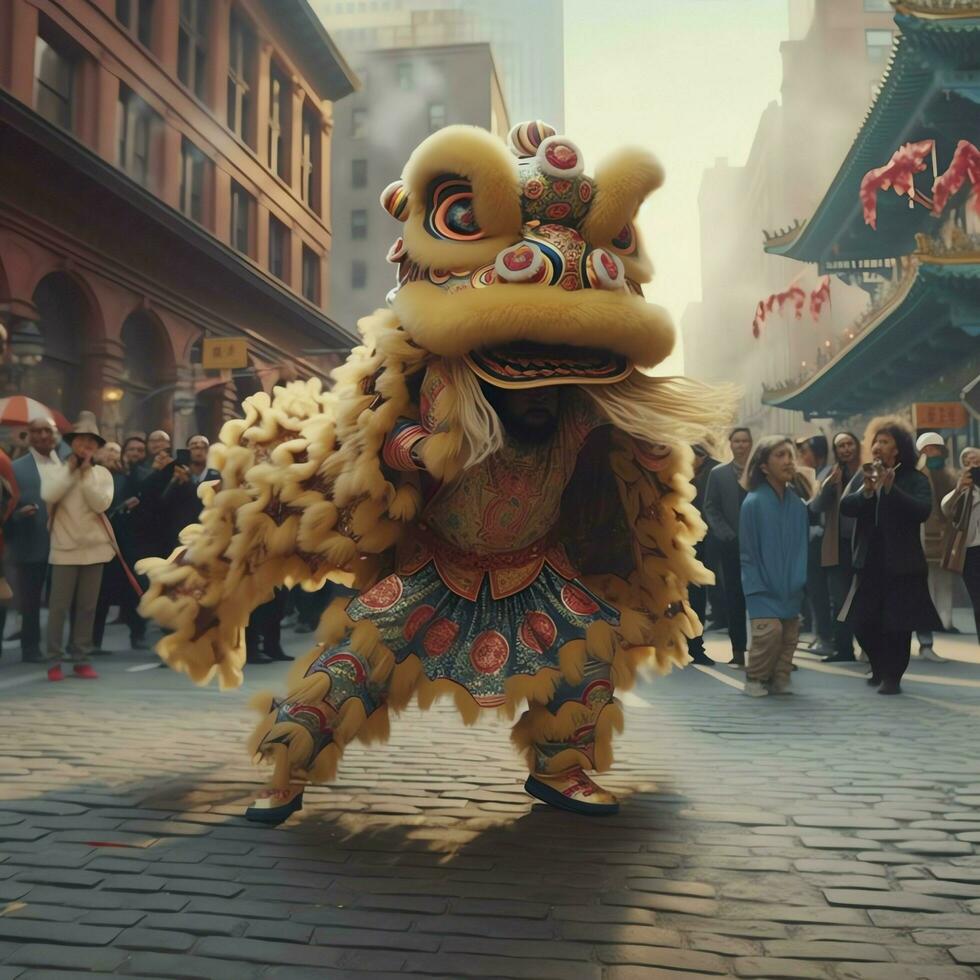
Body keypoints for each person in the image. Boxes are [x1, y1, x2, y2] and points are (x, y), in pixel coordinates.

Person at [138, 119, 734, 825]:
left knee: (585, 656)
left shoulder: (581, 409)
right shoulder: (446, 385)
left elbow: (623, 442)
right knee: (352, 662)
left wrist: (652, 447)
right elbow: (378, 443)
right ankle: (289, 768)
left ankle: (561, 768)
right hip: (437, 566)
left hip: (536, 568)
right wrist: (417, 449)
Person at [841, 417, 941, 695]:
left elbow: (922, 510)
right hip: (869, 562)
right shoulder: (865, 477)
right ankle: (878, 666)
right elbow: (845, 506)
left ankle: (892, 678)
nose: (877, 447)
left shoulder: (914, 478)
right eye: (875, 441)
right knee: (862, 622)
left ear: (897, 449)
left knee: (898, 626)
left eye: (885, 442)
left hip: (903, 564)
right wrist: (868, 491)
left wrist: (890, 488)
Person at [42, 412, 115, 681]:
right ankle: (53, 660)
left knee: (87, 608)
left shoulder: (103, 474)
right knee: (58, 608)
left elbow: (100, 503)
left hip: (95, 549)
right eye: (81, 441)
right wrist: (71, 471)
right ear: (72, 443)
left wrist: (85, 476)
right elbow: (49, 495)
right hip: (63, 548)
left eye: (91, 442)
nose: (86, 447)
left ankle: (81, 657)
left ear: (97, 447)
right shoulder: (55, 469)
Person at [739, 437, 809, 697]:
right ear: (764, 466)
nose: (788, 461)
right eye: (780, 455)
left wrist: (799, 580)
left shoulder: (797, 505)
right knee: (769, 633)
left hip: (792, 584)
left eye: (790, 455)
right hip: (761, 585)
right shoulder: (753, 502)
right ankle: (755, 679)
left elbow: (802, 546)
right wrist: (755, 584)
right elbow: (747, 551)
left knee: (789, 636)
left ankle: (780, 679)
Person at [5, 417, 60, 662]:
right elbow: (4, 507)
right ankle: (30, 647)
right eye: (36, 431)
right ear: (29, 436)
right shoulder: (16, 468)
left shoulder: (67, 465)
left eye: (47, 431)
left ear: (55, 434)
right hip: (29, 542)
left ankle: (60, 646)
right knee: (30, 600)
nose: (42, 436)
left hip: (64, 543)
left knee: (61, 600)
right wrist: (18, 515)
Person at [809, 431, 864, 662]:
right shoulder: (832, 474)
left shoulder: (867, 471)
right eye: (841, 446)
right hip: (837, 545)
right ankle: (843, 649)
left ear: (857, 446)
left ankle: (869, 648)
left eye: (849, 444)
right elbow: (816, 507)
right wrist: (827, 488)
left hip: (862, 544)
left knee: (864, 598)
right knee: (839, 599)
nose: (846, 449)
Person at [704, 427, 753, 666]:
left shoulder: (761, 472)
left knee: (761, 598)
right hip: (731, 545)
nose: (741, 445)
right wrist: (725, 534)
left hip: (759, 545)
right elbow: (710, 507)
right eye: (737, 441)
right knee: (735, 597)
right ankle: (738, 651)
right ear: (730, 445)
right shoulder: (719, 473)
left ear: (751, 444)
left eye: (745, 441)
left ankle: (767, 649)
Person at [92, 441, 146, 652]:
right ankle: (94, 640)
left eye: (116, 452)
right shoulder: (94, 478)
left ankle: (138, 634)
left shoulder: (129, 477)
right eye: (109, 452)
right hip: (101, 542)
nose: (112, 457)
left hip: (126, 544)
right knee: (100, 595)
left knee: (132, 591)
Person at [914, 431, 958, 661]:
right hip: (923, 537)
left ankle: (946, 621)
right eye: (928, 449)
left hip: (945, 536)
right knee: (926, 585)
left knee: (945, 582)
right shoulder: (919, 476)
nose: (933, 454)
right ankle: (928, 632)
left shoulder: (950, 475)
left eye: (936, 449)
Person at [796, 435, 833, 654]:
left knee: (820, 590)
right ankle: (820, 633)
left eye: (805, 452)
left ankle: (825, 637)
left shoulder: (828, 474)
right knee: (813, 590)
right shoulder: (810, 475)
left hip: (823, 538)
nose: (802, 457)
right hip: (812, 537)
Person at [941, 447, 980, 641]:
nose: (973, 464)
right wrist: (959, 489)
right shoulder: (963, 490)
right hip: (971, 551)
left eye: (977, 461)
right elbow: (946, 509)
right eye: (967, 462)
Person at [159, 435, 221, 553]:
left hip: (208, 531)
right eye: (194, 446)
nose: (199, 449)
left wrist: (189, 483)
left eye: (203, 446)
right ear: (187, 451)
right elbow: (164, 501)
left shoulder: (217, 475)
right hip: (181, 532)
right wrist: (174, 479)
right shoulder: (176, 473)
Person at [687, 443, 719, 666]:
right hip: (674, 542)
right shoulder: (672, 469)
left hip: (703, 545)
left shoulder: (715, 471)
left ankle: (695, 647)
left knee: (697, 596)